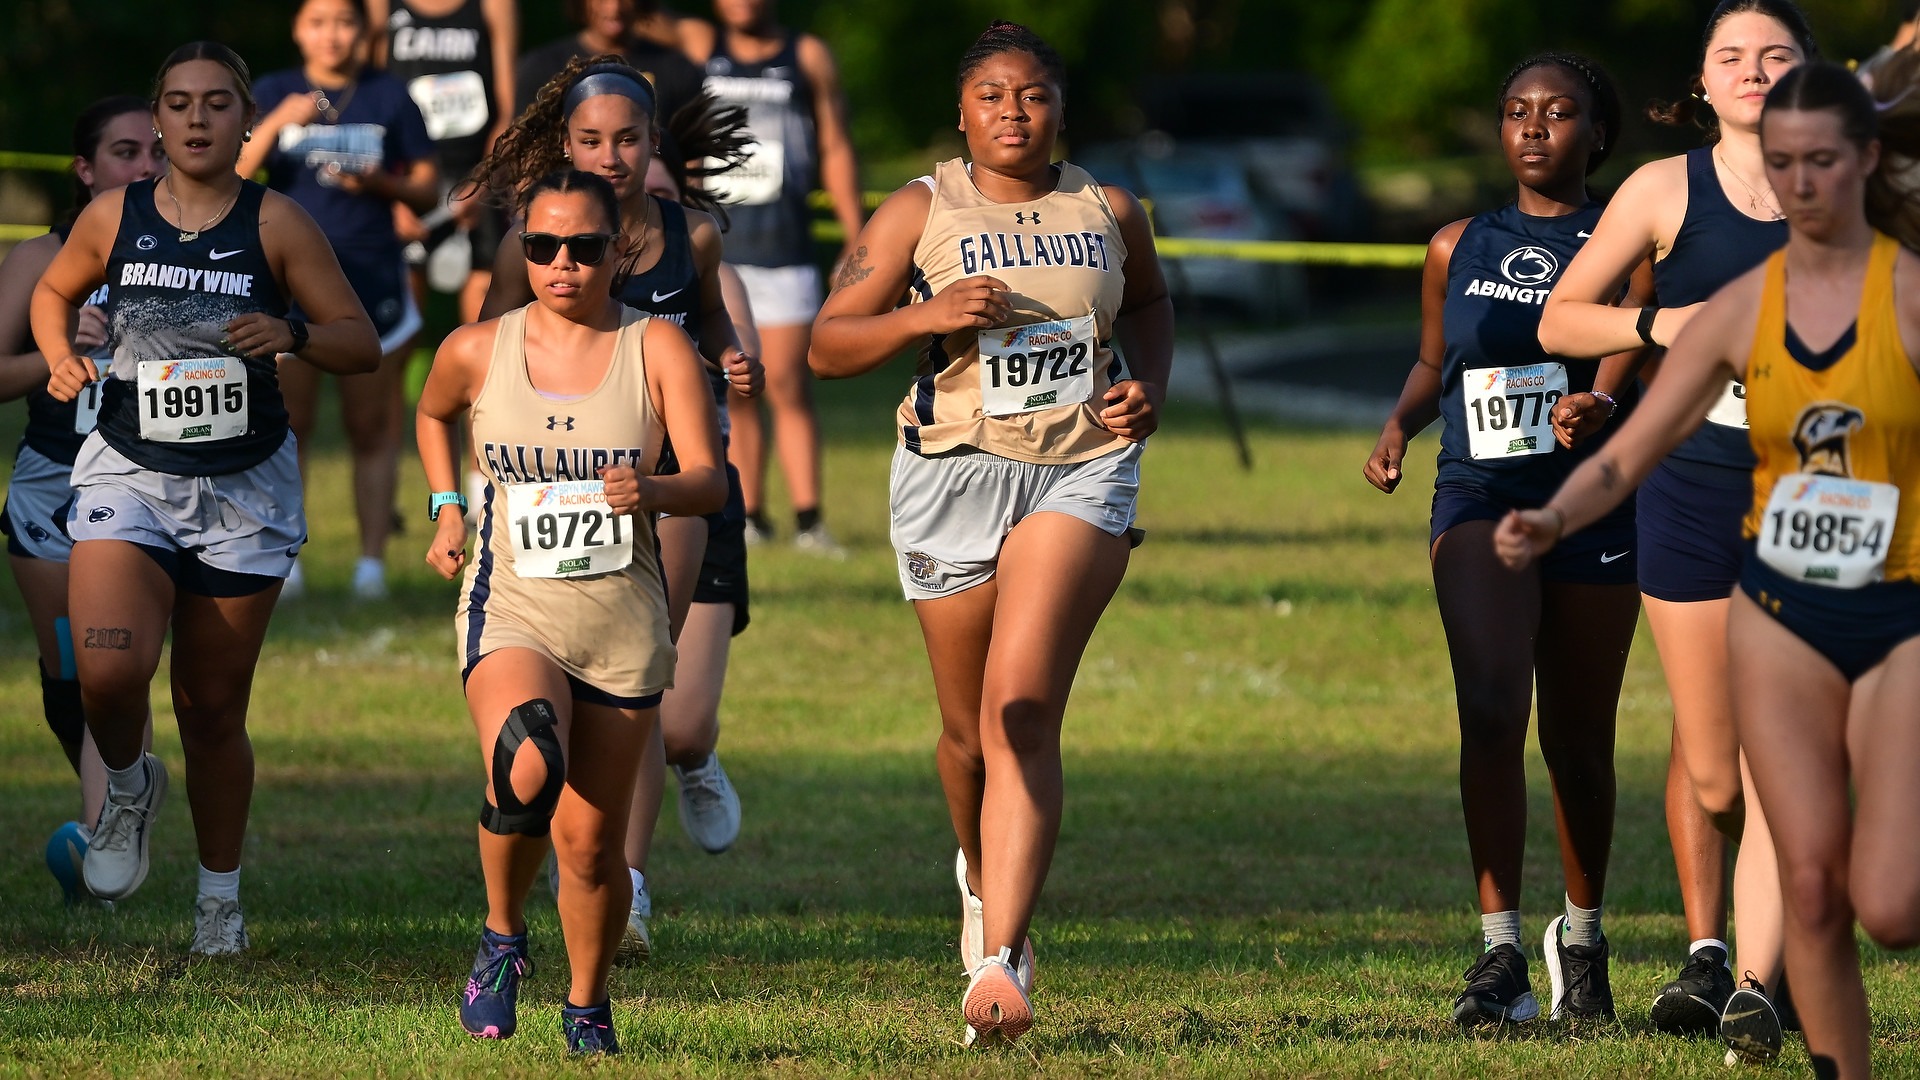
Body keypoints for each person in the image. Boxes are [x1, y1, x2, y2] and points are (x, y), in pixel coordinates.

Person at [1498, 60, 1920, 1080]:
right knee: (1811, 884)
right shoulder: (1743, 306)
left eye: (1824, 161)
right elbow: (1634, 449)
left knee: (1894, 907)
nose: (1803, 184)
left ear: (1865, 163)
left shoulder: (1909, 297)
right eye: (1784, 165)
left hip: (1895, 614)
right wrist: (1554, 514)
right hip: (1781, 617)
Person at [810, 20, 1172, 1044]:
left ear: (1061, 107)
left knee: (1020, 713)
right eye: (993, 96)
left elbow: (1147, 303)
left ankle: (1004, 960)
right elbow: (832, 348)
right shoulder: (924, 207)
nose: (1015, 113)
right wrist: (926, 320)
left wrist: (1148, 391)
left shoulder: (1105, 206)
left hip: (1082, 467)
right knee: (968, 735)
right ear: (962, 111)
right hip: (951, 476)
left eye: (1034, 95)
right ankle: (976, 870)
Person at [28, 41, 380, 953]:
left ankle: (218, 899)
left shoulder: (279, 223)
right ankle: (129, 784)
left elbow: (359, 341)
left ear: (245, 120)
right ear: (157, 120)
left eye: (216, 103)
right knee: (105, 672)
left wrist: (293, 331)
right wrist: (64, 351)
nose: (195, 119)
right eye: (178, 104)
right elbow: (54, 289)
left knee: (212, 709)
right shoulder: (114, 215)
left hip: (243, 489)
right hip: (127, 469)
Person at [1535, 0, 1815, 1056]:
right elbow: (1563, 318)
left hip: (1821, 496)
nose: (1753, 71)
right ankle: (1761, 937)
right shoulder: (1665, 190)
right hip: (1691, 488)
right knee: (1715, 773)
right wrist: (1666, 326)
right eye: (1732, 56)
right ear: (1704, 80)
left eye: (1775, 54)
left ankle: (1755, 984)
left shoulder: (1860, 182)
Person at [1367, 53, 1649, 1027]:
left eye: (1559, 111)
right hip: (1479, 496)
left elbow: (1637, 342)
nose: (1534, 127)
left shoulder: (1623, 239)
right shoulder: (1456, 244)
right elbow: (1432, 359)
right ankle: (1498, 961)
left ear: (1596, 134)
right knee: (1490, 702)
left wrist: (1601, 398)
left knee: (1577, 740)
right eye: (1517, 112)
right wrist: (1404, 423)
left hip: (1593, 501)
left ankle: (1581, 940)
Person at [417, 168, 725, 1055]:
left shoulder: (658, 349)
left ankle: (587, 1005)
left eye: (584, 247)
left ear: (616, 251)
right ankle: (503, 936)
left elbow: (711, 483)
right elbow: (433, 414)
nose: (561, 263)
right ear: (521, 248)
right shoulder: (479, 348)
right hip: (511, 602)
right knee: (525, 759)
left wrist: (654, 487)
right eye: (542, 245)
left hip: (621, 616)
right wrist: (447, 506)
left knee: (593, 849)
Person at [474, 59, 761, 961]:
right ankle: (619, 884)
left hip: (670, 486)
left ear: (653, 145)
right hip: (564, 492)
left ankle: (663, 796)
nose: (610, 157)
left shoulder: (693, 235)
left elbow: (709, 322)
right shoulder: (531, 242)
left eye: (627, 140)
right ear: (565, 144)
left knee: (656, 705)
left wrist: (731, 356)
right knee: (608, 696)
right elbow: (480, 358)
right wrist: (461, 499)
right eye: (590, 140)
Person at [0, 96, 164, 904]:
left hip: (152, 487)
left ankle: (110, 830)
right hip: (51, 486)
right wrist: (58, 351)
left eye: (155, 153)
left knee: (122, 666)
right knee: (74, 672)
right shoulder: (42, 257)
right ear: (85, 169)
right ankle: (110, 821)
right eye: (126, 152)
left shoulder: (190, 250)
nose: (145, 167)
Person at [238, 0, 439, 601]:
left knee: (371, 426)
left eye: (345, 22)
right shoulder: (272, 90)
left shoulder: (389, 95)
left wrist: (380, 182)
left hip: (372, 277)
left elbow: (427, 188)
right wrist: (277, 123)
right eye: (318, 21)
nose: (332, 35)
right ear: (298, 29)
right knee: (289, 426)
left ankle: (371, 567)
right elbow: (236, 178)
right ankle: (287, 558)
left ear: (363, 30)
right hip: (289, 282)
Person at [684, 0, 864, 553]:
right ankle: (750, 516)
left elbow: (832, 144)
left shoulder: (805, 55)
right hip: (719, 250)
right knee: (737, 384)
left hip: (784, 249)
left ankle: (809, 521)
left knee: (787, 382)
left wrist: (858, 233)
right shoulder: (697, 46)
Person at [368, 0, 518, 324]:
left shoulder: (494, 5)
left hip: (479, 169)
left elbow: (509, 109)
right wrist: (394, 195)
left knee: (486, 314)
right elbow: (371, 105)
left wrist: (484, 181)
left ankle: (479, 376)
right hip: (406, 174)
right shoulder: (382, 6)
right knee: (398, 321)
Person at [515, 0, 704, 129]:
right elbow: (523, 147)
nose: (614, 8)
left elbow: (690, 155)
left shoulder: (677, 69)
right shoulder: (541, 67)